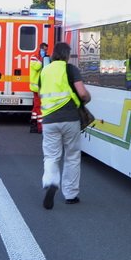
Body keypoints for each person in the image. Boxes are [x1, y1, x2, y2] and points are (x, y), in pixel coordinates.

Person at [39, 42, 91, 209]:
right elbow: (82, 93)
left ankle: (51, 181)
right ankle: (71, 194)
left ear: (53, 54)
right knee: (72, 156)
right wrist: (87, 98)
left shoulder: (44, 70)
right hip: (70, 119)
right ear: (67, 55)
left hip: (49, 120)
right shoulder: (70, 69)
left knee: (51, 156)